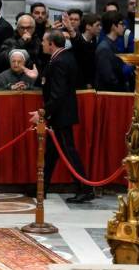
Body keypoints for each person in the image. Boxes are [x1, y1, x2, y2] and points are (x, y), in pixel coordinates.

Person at [30, 29, 94, 203]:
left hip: (61, 115)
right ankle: (42, 186)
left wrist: (42, 112)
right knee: (51, 152)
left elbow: (57, 94)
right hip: (61, 113)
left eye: (44, 41)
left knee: (68, 151)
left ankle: (85, 188)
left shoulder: (59, 61)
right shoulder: (64, 57)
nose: (42, 44)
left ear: (51, 44)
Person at [95, 11, 127, 92]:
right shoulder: (104, 48)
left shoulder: (111, 44)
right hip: (109, 97)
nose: (124, 27)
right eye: (121, 24)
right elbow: (109, 79)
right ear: (113, 26)